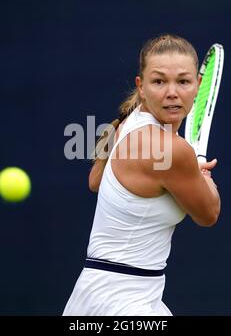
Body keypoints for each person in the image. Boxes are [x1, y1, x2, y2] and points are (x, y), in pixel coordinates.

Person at [62, 33, 221, 316]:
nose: (172, 92)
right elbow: (209, 214)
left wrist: (181, 174)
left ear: (197, 86)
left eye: (183, 81)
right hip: (123, 305)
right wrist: (201, 176)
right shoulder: (172, 150)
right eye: (159, 81)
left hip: (93, 297)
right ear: (142, 86)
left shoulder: (127, 122)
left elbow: (96, 181)